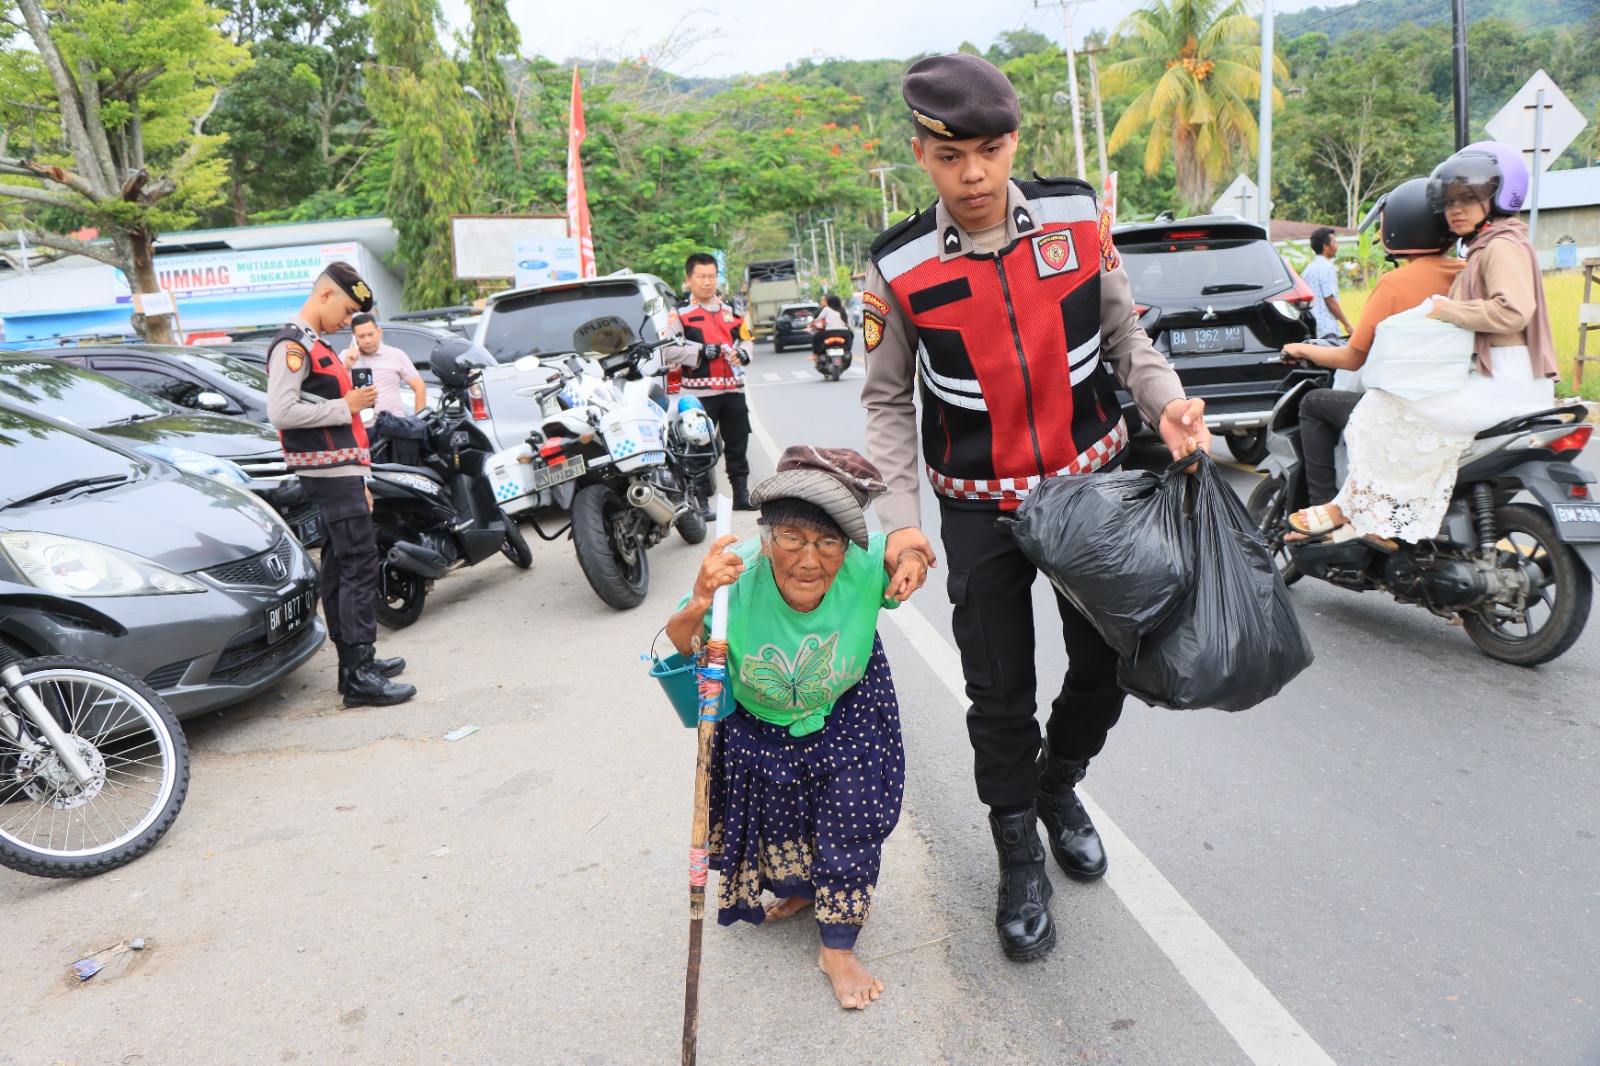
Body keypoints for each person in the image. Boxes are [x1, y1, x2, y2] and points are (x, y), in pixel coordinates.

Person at [858, 52, 1209, 963]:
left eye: (991, 149)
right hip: (979, 509)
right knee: (997, 687)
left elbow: (1126, 333)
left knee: (1108, 661)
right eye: (951, 157)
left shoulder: (1077, 216)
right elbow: (887, 400)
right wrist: (902, 519)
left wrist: (1164, 399)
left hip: (1090, 486)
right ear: (920, 156)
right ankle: (1017, 855)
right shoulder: (896, 267)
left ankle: (1060, 783)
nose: (974, 175)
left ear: (1015, 142)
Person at [664, 446, 928, 1009]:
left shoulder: (861, 565)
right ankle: (806, 890)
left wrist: (913, 557)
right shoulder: (736, 579)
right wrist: (704, 596)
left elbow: (902, 547)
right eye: (792, 539)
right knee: (785, 819)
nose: (811, 559)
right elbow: (680, 640)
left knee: (848, 820)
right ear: (766, 539)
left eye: (828, 543)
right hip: (762, 727)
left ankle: (837, 944)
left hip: (847, 710)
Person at [1290, 143, 1558, 544]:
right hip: (1502, 376)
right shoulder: (1485, 247)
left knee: (1383, 408)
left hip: (1506, 382)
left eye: (1469, 198)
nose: (1457, 209)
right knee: (1402, 416)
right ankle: (1375, 516)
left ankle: (1352, 511)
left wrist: (1446, 309)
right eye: (1449, 202)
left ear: (1500, 195)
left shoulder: (1500, 244)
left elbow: (1513, 312)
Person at [266, 263, 416, 707]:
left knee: (339, 567)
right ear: (326, 295)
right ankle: (358, 674)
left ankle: (356, 663)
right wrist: (344, 404)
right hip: (328, 475)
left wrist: (362, 475)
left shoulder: (317, 345)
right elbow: (282, 412)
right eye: (347, 310)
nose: (350, 321)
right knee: (358, 565)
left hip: (343, 472)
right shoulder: (292, 347)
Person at [1281, 178, 1464, 518]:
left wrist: (1302, 349)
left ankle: (1323, 508)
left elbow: (1351, 358)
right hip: (1452, 403)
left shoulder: (1395, 283)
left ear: (1402, 227)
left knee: (1312, 404)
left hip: (1403, 409)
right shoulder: (1467, 272)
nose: (1380, 236)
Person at [662, 253, 755, 513]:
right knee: (699, 448)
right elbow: (668, 350)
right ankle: (701, 502)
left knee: (738, 443)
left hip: (733, 391)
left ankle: (741, 494)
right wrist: (700, 352)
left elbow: (747, 339)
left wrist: (745, 353)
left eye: (711, 276)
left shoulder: (732, 311)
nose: (707, 282)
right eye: (701, 277)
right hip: (698, 395)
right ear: (688, 279)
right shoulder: (680, 313)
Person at [342, 313, 427, 418]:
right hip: (359, 427)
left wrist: (418, 422)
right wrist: (346, 367)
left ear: (379, 332)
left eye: (370, 334)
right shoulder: (345, 357)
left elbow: (420, 387)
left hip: (392, 425)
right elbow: (334, 392)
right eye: (361, 336)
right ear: (354, 337)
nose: (367, 340)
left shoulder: (396, 355)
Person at [1303, 227, 1352, 340]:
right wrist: (1347, 324)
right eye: (1334, 242)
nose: (1337, 245)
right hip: (1327, 330)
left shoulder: (1308, 269)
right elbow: (1329, 299)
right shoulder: (1327, 267)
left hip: (1313, 330)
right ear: (1325, 246)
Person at [808, 293, 854, 361]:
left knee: (815, 338)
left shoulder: (826, 309)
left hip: (829, 333)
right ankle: (848, 352)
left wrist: (811, 324)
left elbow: (818, 318)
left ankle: (815, 355)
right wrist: (849, 329)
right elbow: (847, 322)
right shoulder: (842, 310)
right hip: (843, 332)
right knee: (851, 335)